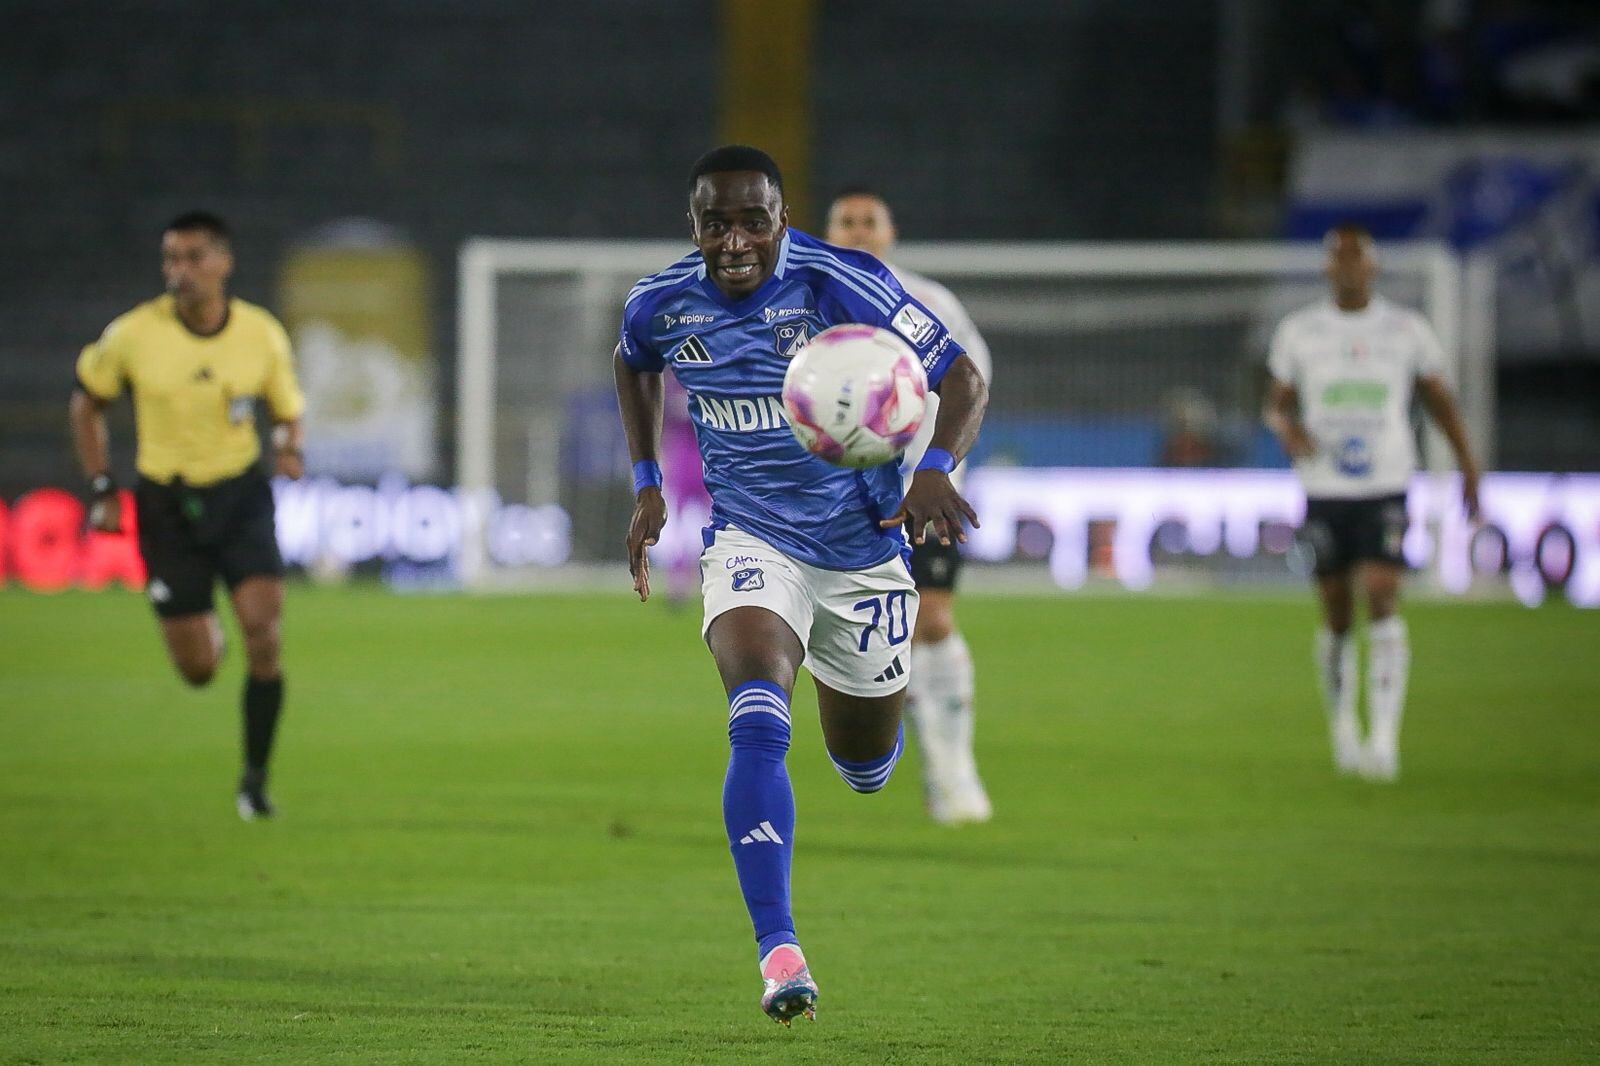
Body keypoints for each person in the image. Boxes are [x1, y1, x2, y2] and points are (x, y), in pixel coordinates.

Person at [614, 146, 988, 1025]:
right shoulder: (660, 301)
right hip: (752, 540)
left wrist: (936, 465)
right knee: (755, 711)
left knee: (864, 768)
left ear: (782, 218)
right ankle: (779, 952)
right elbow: (634, 360)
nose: (735, 242)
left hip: (863, 554)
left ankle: (861, 707)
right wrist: (646, 482)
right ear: (693, 224)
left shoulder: (840, 283)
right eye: (716, 224)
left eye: (754, 221)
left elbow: (962, 377)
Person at [69, 211, 306, 819]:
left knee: (264, 631)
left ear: (224, 262)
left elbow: (286, 412)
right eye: (171, 258)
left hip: (240, 497)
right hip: (168, 506)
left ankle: (254, 781)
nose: (181, 271)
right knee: (198, 669)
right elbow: (86, 404)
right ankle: (206, 636)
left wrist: (288, 448)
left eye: (194, 257)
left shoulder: (261, 334)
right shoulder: (132, 334)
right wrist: (102, 487)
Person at [1263, 223, 1481, 782]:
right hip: (1324, 488)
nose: (1348, 269)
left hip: (1386, 484)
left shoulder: (1406, 330)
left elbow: (1439, 401)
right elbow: (1275, 405)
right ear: (1326, 269)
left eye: (1356, 260)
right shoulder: (1299, 332)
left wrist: (1468, 464)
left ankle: (1384, 739)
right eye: (1339, 260)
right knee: (1336, 608)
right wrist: (1288, 430)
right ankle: (1344, 728)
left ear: (1373, 267)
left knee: (1381, 591)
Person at [824, 188, 993, 824]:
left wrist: (942, 467)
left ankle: (953, 768)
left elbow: (970, 387)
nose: (859, 231)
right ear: (828, 231)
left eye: (870, 221)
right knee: (872, 632)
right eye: (847, 221)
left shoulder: (931, 303)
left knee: (934, 619)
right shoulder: (805, 300)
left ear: (890, 232)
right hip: (835, 493)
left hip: (917, 490)